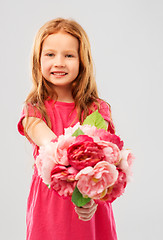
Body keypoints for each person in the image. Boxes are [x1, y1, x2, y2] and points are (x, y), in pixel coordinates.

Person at [17, 18, 117, 240]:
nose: (59, 62)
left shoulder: (97, 109)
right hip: (50, 206)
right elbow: (53, 147)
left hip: (88, 202)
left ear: (82, 61)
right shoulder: (34, 111)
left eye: (69, 55)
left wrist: (91, 197)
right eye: (50, 54)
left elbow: (104, 159)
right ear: (38, 60)